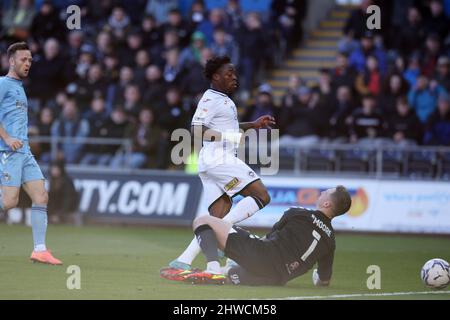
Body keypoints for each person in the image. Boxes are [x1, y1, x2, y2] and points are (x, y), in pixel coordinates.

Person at [161, 55, 275, 280]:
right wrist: (229, 136)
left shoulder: (224, 100)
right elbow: (196, 130)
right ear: (215, 76)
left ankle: (183, 260)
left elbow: (227, 127)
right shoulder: (210, 98)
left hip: (213, 160)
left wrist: (252, 125)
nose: (234, 77)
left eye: (234, 73)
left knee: (218, 215)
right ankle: (224, 241)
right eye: (228, 73)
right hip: (217, 158)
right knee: (262, 196)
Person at [164, 186, 352, 285]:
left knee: (203, 221)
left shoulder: (298, 213)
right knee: (231, 273)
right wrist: (318, 279)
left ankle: (212, 268)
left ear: (327, 204)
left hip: (262, 258)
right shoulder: (330, 241)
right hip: (276, 279)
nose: (321, 193)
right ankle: (225, 272)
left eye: (326, 193)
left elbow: (269, 239)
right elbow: (324, 281)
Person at [0, 42, 62, 265]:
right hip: (8, 152)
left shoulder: (19, 87)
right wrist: (7, 137)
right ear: (11, 61)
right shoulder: (4, 84)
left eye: (30, 61)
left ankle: (40, 249)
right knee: (8, 203)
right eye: (23, 60)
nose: (27, 64)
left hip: (24, 153)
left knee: (41, 196)